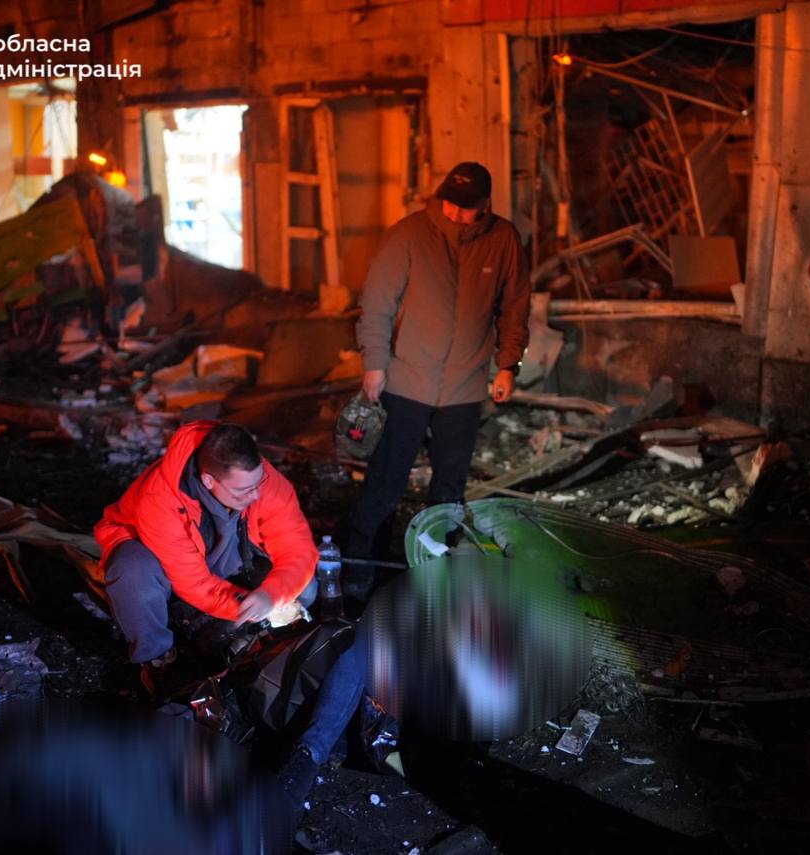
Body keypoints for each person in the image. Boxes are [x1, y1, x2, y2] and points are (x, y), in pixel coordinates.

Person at [93, 421, 365, 808]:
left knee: (303, 588)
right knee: (132, 572)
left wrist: (271, 594)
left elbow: (298, 549)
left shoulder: (261, 480)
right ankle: (157, 660)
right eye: (242, 490)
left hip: (226, 555)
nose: (254, 495)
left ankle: (251, 641)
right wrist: (243, 606)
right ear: (208, 480)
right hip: (161, 558)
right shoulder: (160, 497)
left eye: (257, 484)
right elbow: (192, 582)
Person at [347, 162, 531, 563]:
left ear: (486, 204)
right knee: (386, 481)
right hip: (406, 381)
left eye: (466, 207)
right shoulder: (409, 234)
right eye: (450, 203)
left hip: (464, 386)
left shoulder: (503, 240)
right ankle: (362, 567)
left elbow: (515, 306)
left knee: (449, 488)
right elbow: (377, 301)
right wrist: (375, 363)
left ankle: (435, 566)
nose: (455, 212)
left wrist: (507, 364)